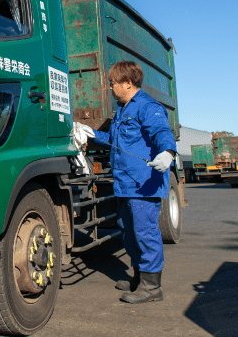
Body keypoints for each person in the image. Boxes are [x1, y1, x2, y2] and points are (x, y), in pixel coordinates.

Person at [75, 60, 176, 303]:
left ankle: (152, 288)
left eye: (113, 84)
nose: (111, 88)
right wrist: (90, 133)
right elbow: (115, 139)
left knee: (145, 233)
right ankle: (139, 278)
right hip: (125, 184)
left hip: (143, 185)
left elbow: (162, 132)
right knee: (128, 231)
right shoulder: (123, 108)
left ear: (127, 84)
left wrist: (168, 153)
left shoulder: (147, 107)